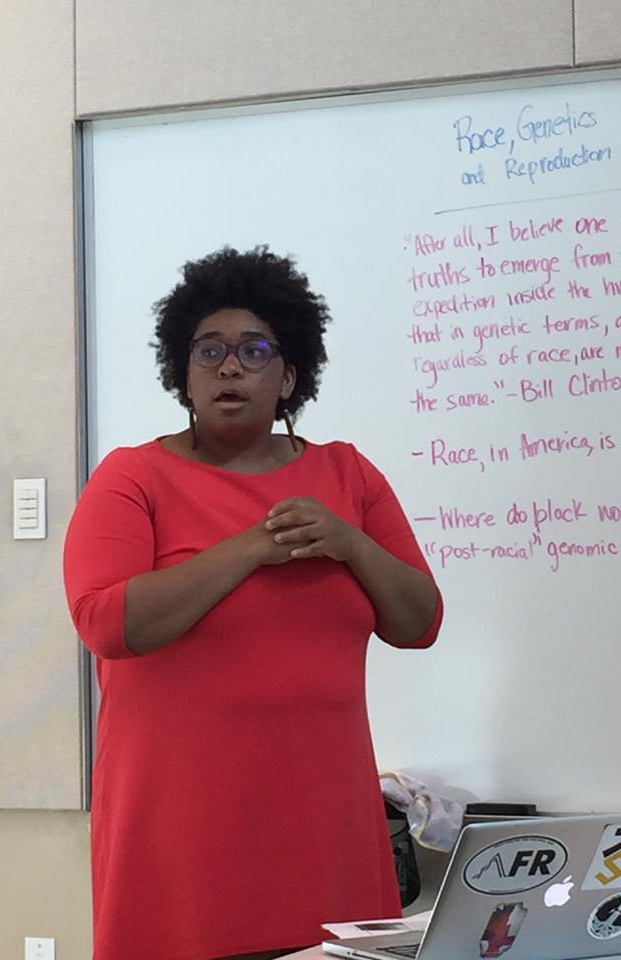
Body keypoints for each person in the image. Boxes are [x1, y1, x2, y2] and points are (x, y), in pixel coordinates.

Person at [63, 245, 443, 960]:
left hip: (327, 828)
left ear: (291, 374)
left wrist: (349, 543)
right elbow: (109, 623)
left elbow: (419, 622)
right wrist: (249, 549)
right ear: (182, 371)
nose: (228, 367)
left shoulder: (348, 475)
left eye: (254, 349)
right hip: (181, 833)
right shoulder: (132, 477)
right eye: (208, 350)